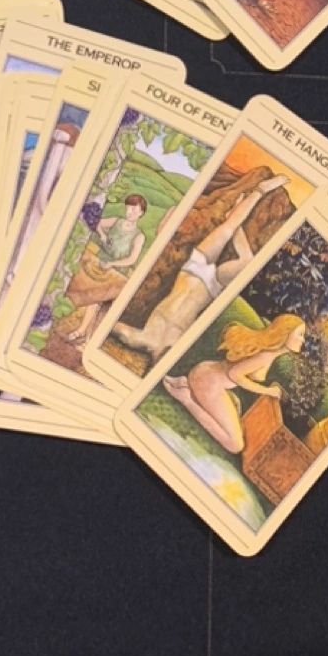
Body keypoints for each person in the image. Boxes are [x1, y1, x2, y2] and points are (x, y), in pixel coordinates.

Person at [107, 173, 290, 365]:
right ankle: (246, 207)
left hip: (192, 270)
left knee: (228, 227)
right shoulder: (178, 348)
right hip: (211, 287)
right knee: (247, 260)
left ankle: (260, 190)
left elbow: (114, 327)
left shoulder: (140, 338)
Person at [164, 313, 307, 454]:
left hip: (203, 371)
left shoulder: (267, 351)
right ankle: (186, 397)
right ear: (285, 333)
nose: (303, 340)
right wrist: (268, 391)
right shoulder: (265, 356)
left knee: (236, 407)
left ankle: (185, 383)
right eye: (300, 334)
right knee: (236, 445)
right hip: (208, 385)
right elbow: (234, 374)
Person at [60, 193, 147, 345]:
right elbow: (97, 223)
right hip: (99, 265)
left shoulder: (139, 236)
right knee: (84, 289)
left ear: (141, 213)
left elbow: (132, 259)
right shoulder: (116, 221)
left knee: (96, 300)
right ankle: (79, 328)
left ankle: (82, 332)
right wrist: (102, 235)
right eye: (128, 208)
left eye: (134, 209)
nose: (130, 212)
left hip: (115, 272)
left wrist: (113, 264)